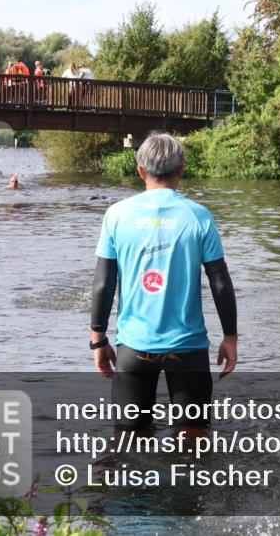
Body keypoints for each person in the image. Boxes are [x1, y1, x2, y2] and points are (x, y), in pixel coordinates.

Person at [90, 133, 239, 436]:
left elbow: (104, 283)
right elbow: (220, 282)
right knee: (194, 443)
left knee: (128, 444)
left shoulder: (116, 215)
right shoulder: (200, 217)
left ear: (140, 171)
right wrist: (230, 338)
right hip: (188, 348)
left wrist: (99, 339)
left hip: (133, 347)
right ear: (181, 169)